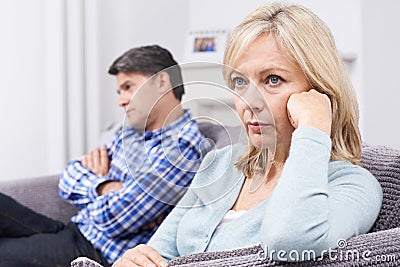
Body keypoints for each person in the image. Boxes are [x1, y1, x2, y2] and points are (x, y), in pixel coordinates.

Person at [113, 4, 383, 266]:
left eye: (273, 80)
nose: (249, 102)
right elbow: (157, 253)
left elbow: (289, 242)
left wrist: (313, 126)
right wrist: (134, 259)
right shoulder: (218, 163)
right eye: (240, 82)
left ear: (319, 92)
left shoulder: (354, 186)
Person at [0, 45, 210, 266]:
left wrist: (94, 186)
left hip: (96, 251)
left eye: (128, 87)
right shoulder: (132, 131)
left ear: (162, 82)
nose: (121, 100)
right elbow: (69, 177)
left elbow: (116, 220)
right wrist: (106, 187)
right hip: (76, 229)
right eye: (120, 92)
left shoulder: (182, 148)